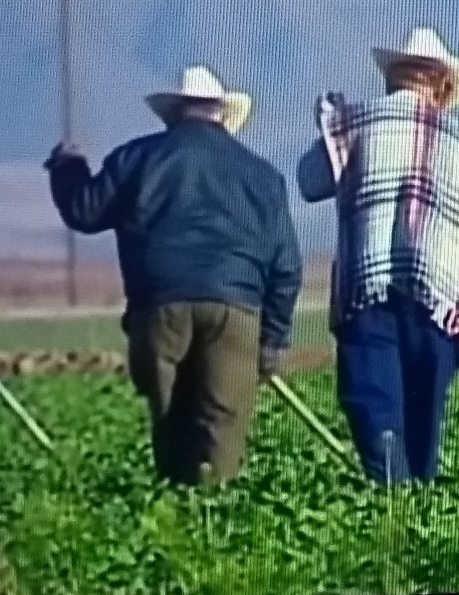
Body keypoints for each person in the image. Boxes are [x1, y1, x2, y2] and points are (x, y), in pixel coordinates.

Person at [44, 65, 303, 485]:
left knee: (170, 422)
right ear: (222, 114)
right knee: (222, 426)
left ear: (173, 113)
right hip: (236, 308)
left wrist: (67, 168)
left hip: (158, 304)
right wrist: (272, 339)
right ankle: (214, 515)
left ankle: (174, 510)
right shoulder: (262, 175)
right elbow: (286, 264)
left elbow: (85, 211)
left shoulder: (136, 157)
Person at [296, 28, 459, 486]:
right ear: (442, 84)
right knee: (424, 411)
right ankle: (418, 502)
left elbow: (309, 182)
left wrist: (325, 131)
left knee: (374, 403)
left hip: (366, 295)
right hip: (439, 298)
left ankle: (393, 497)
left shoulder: (354, 128)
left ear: (391, 78)